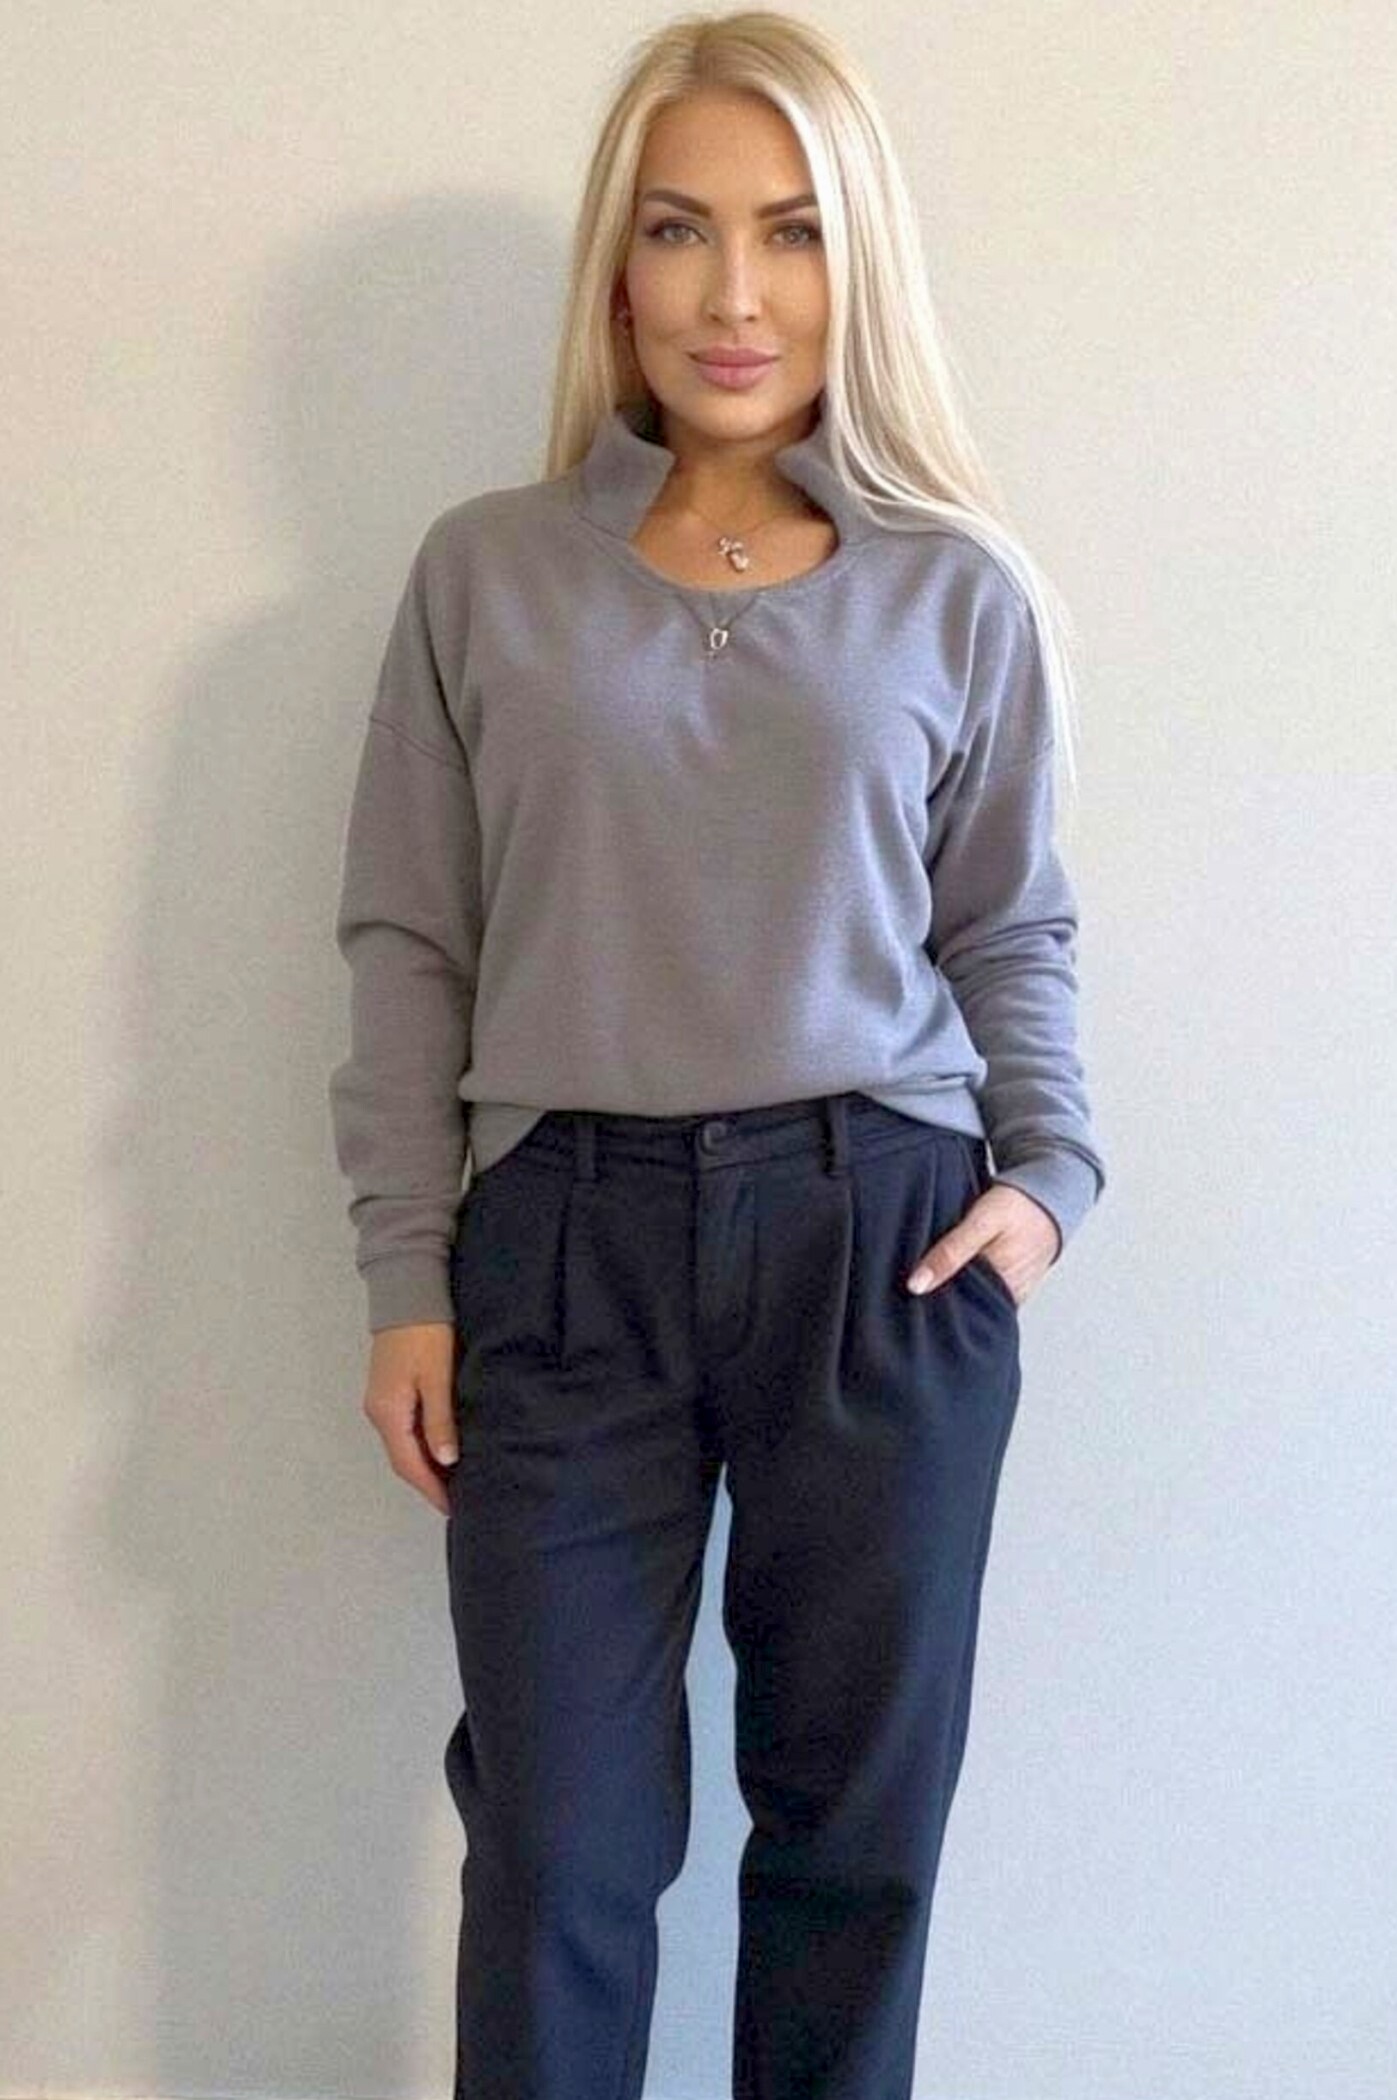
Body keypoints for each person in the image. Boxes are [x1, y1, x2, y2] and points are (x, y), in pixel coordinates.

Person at [328, 11, 1107, 2097]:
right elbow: (409, 941)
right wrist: (407, 1276)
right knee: (561, 1853)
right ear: (617, 269)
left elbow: (1008, 924)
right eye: (680, 230)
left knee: (854, 1844)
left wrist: (1047, 1185)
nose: (733, 293)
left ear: (859, 268)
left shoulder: (956, 593)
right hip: (563, 1253)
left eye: (791, 232)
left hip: (886, 1243)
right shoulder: (487, 572)